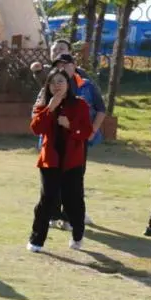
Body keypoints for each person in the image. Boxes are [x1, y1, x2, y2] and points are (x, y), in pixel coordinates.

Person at [34, 54, 105, 229]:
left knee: (74, 180)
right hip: (52, 143)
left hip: (76, 142)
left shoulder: (86, 86)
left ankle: (69, 217)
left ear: (74, 66)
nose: (62, 68)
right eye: (58, 65)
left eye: (66, 65)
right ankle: (53, 214)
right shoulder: (47, 90)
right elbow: (36, 118)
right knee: (51, 181)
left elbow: (100, 109)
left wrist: (91, 132)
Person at [27, 68, 93, 253]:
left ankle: (77, 235)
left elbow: (86, 132)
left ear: (68, 85)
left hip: (72, 161)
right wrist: (50, 108)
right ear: (47, 86)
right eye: (53, 82)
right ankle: (36, 240)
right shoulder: (44, 105)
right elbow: (36, 129)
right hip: (50, 160)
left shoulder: (80, 105)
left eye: (60, 82)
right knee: (47, 199)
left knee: (73, 200)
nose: (57, 85)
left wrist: (70, 126)